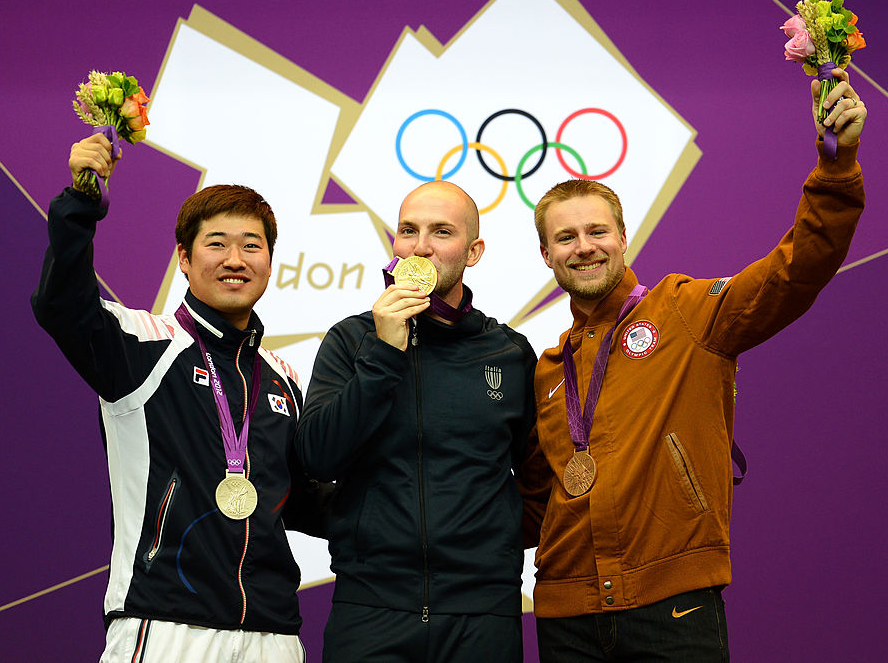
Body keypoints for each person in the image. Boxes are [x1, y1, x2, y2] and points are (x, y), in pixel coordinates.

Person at [519, 70, 867, 661]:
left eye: (597, 231)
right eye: (567, 237)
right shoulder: (550, 370)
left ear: (623, 237)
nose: (584, 246)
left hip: (672, 603)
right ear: (546, 254)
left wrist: (837, 166)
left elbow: (794, 271)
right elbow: (533, 501)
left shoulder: (684, 311)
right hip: (566, 615)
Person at [32, 133, 325, 662]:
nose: (235, 259)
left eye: (251, 245)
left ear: (270, 262)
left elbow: (301, 499)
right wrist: (80, 201)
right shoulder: (142, 345)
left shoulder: (283, 377)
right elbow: (62, 304)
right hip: (166, 624)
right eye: (216, 244)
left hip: (274, 634)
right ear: (184, 259)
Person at [295, 180, 536, 662]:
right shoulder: (351, 340)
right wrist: (384, 351)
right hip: (370, 608)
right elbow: (317, 458)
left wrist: (492, 544)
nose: (420, 246)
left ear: (473, 252)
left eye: (441, 232)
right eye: (408, 231)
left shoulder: (508, 352)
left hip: (482, 612)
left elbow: (537, 478)